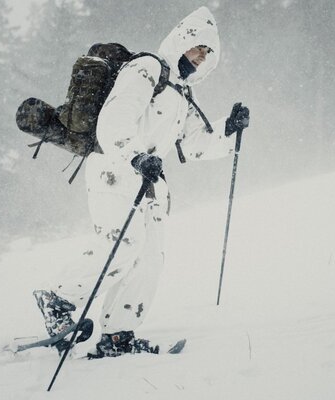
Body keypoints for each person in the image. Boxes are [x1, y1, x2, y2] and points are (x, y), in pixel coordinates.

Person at [33, 6, 249, 358]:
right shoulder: (147, 68)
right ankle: (57, 299)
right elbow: (114, 120)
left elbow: (194, 146)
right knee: (124, 245)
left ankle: (117, 335)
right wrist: (134, 155)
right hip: (115, 170)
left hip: (149, 183)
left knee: (149, 259)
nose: (199, 56)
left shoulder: (181, 94)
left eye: (207, 53)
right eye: (197, 46)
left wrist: (228, 129)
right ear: (182, 39)